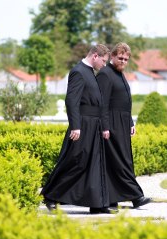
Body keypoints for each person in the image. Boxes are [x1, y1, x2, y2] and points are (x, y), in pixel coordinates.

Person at [41, 44, 117, 214]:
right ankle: (51, 195)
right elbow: (71, 100)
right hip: (83, 125)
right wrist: (76, 126)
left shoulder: (90, 72)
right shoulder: (78, 71)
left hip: (94, 125)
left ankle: (97, 204)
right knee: (76, 162)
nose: (104, 65)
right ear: (95, 56)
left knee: (95, 165)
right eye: (103, 61)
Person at [97, 42, 152, 209]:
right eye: (120, 58)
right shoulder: (105, 74)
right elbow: (102, 103)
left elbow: (124, 101)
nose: (123, 61)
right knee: (120, 162)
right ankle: (136, 197)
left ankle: (113, 200)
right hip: (111, 125)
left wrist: (130, 122)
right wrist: (105, 127)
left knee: (120, 161)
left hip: (121, 123)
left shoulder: (119, 74)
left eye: (126, 59)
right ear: (112, 56)